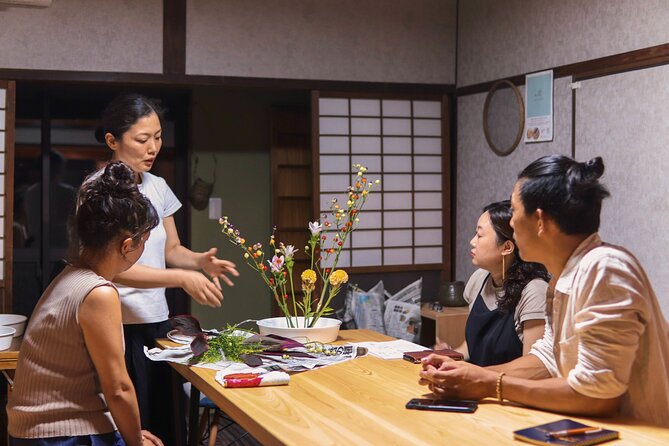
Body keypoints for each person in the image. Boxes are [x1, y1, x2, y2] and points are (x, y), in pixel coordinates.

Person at [419, 155, 669, 427]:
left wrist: (490, 384)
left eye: (514, 211)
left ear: (540, 221)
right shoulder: (561, 278)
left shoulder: (604, 270)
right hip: (590, 429)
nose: (511, 224)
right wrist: (467, 376)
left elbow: (598, 395)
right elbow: (545, 359)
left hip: (640, 434)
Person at [95, 94, 240, 444]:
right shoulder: (98, 189)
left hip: (157, 323)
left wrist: (199, 262)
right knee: (130, 426)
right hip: (116, 324)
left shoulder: (158, 186)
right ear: (112, 141)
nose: (153, 148)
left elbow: (172, 250)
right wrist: (181, 277)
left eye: (158, 137)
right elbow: (107, 267)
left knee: (165, 423)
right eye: (142, 140)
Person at [7, 161, 163, 445]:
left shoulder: (69, 274)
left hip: (41, 428)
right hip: (58, 434)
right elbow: (118, 389)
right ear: (127, 246)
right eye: (145, 243)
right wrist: (135, 442)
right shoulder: (98, 293)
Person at [443, 200, 549, 366]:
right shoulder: (479, 278)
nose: (472, 241)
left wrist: (478, 376)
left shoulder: (535, 291)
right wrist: (448, 357)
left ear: (507, 247)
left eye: (479, 235)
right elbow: (473, 346)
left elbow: (533, 366)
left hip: (510, 388)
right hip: (476, 385)